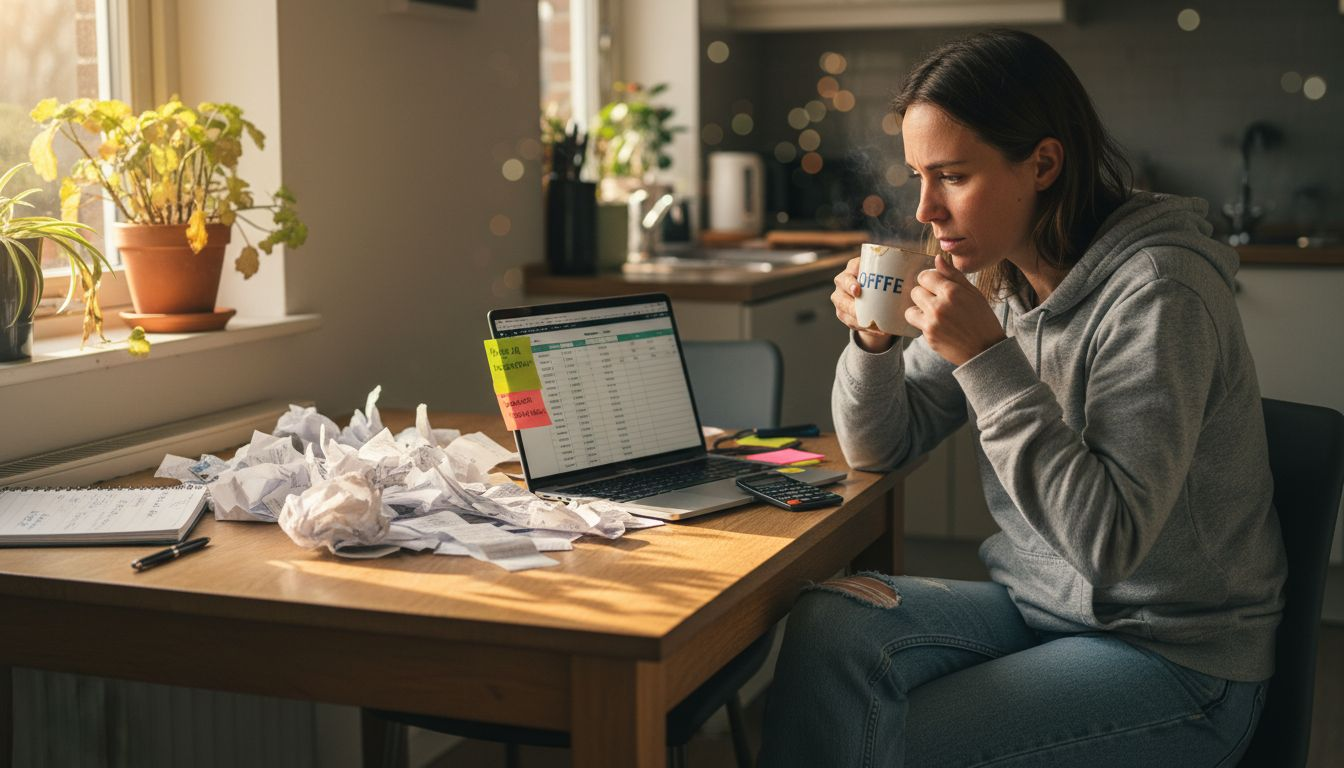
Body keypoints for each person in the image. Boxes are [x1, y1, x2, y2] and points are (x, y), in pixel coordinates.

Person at [758, 29, 1286, 768]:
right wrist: (872, 346)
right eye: (918, 176)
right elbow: (881, 446)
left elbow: (1110, 545)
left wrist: (984, 358)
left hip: (1174, 657)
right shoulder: (1001, 280)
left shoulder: (1160, 292)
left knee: (886, 741)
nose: (924, 210)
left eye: (951, 176)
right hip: (1039, 611)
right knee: (830, 622)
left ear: (1042, 164)